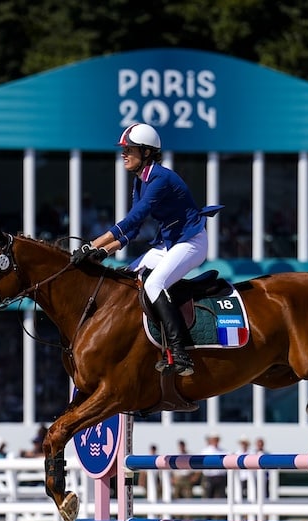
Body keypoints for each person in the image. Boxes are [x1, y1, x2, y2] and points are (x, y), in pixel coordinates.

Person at [70, 122, 211, 376]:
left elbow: (133, 220)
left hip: (191, 243)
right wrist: (104, 252)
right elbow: (132, 234)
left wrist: (92, 245)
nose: (123, 154)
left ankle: (180, 353)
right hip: (169, 244)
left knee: (153, 285)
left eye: (130, 149)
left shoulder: (161, 178)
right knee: (128, 279)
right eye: (124, 149)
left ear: (147, 152)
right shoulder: (140, 181)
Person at [200, 432, 228, 499]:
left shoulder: (223, 451)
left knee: (221, 496)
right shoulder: (205, 451)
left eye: (216, 439)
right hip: (209, 477)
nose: (215, 441)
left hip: (220, 477)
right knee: (207, 496)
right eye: (214, 439)